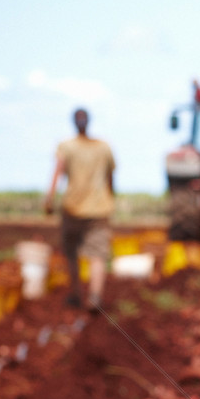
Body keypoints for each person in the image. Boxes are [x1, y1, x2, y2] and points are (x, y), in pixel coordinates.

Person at [45, 109, 115, 311]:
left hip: (73, 207)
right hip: (99, 208)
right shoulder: (104, 147)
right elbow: (111, 177)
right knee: (98, 254)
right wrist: (110, 196)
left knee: (72, 251)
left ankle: (76, 293)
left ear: (74, 123)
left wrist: (49, 200)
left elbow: (57, 173)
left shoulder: (66, 146)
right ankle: (95, 297)